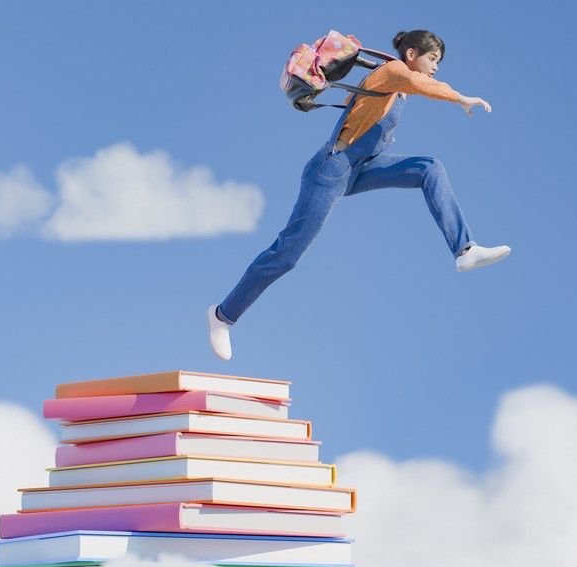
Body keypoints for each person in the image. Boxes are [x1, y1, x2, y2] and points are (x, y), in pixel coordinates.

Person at [207, 29, 511, 360]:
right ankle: (223, 315)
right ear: (412, 54)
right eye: (433, 59)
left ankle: (464, 249)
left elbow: (422, 87)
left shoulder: (400, 86)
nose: (436, 67)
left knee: (429, 168)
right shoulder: (393, 72)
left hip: (364, 167)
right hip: (330, 170)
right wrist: (462, 98)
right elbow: (428, 86)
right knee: (287, 254)